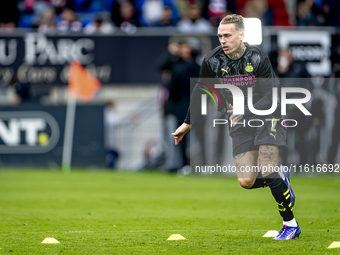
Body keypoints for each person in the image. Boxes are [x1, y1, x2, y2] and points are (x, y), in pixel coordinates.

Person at [171, 14, 301, 240]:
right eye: (220, 35)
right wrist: (187, 123)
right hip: (239, 121)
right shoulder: (212, 61)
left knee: (268, 168)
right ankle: (281, 179)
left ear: (241, 35)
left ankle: (290, 224)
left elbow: (272, 95)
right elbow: (201, 91)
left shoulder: (258, 57)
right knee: (246, 181)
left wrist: (246, 109)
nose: (223, 40)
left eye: (227, 35)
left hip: (268, 116)